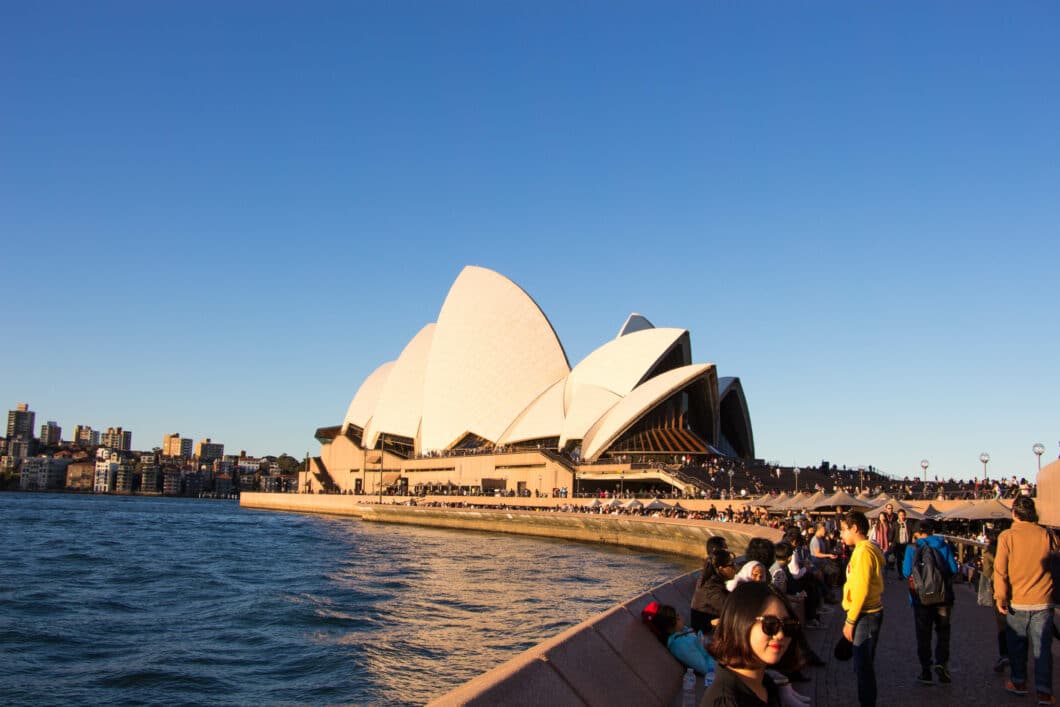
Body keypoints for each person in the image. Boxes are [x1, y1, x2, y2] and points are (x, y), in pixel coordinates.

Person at [993, 495, 1060, 704]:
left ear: (1014, 513)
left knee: (1017, 645)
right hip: (1043, 599)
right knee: (1043, 649)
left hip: (1017, 600)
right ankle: (1044, 691)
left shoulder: (1007, 536)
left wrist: (1000, 597)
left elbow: (1000, 570)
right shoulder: (1048, 535)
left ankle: (1019, 682)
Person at [703, 581, 804, 706]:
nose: (780, 635)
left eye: (788, 626)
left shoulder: (765, 685)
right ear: (740, 623)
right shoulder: (726, 701)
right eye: (770, 624)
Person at [901, 519, 958, 685]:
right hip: (943, 597)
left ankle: (925, 670)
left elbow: (906, 572)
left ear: (918, 533)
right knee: (943, 632)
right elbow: (953, 569)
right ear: (932, 531)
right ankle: (942, 663)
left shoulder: (912, 548)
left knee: (923, 634)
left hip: (921, 599)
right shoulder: (943, 545)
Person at [841, 510, 885, 707]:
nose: (841, 535)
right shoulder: (864, 550)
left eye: (844, 530)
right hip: (867, 613)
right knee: (863, 663)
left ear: (854, 528)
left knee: (863, 666)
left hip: (865, 614)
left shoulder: (863, 552)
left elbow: (861, 588)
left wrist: (850, 620)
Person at [650, 604, 716, 676]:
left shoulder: (684, 632)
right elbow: (706, 669)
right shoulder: (680, 645)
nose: (681, 618)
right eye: (678, 618)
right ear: (670, 628)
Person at [692, 537, 730, 631]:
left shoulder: (712, 575)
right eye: (725, 548)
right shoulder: (711, 586)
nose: (727, 551)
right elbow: (731, 608)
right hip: (707, 632)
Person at [694, 550, 738, 629]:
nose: (735, 567)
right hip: (705, 634)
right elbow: (733, 610)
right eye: (731, 565)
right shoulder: (712, 590)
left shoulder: (711, 582)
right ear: (721, 569)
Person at [892, 509, 915, 580]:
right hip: (898, 544)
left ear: (905, 515)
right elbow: (892, 534)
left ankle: (907, 573)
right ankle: (900, 574)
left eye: (903, 515)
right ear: (898, 516)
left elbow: (913, 533)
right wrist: (892, 543)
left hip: (907, 544)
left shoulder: (909, 523)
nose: (902, 517)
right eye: (900, 515)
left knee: (907, 559)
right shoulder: (895, 524)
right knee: (899, 560)